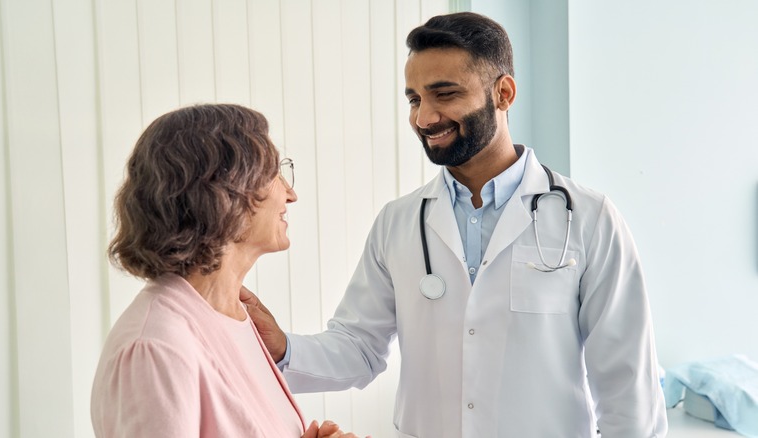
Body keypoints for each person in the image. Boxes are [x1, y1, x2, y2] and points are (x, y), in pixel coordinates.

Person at [242, 12, 668, 438]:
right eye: (414, 99)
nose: (424, 118)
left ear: (503, 93)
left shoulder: (589, 219)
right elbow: (358, 349)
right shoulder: (400, 222)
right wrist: (281, 344)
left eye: (444, 94)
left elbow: (627, 386)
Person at [91, 104, 361, 438]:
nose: (290, 194)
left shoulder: (234, 318)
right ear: (225, 193)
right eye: (274, 172)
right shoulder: (156, 347)